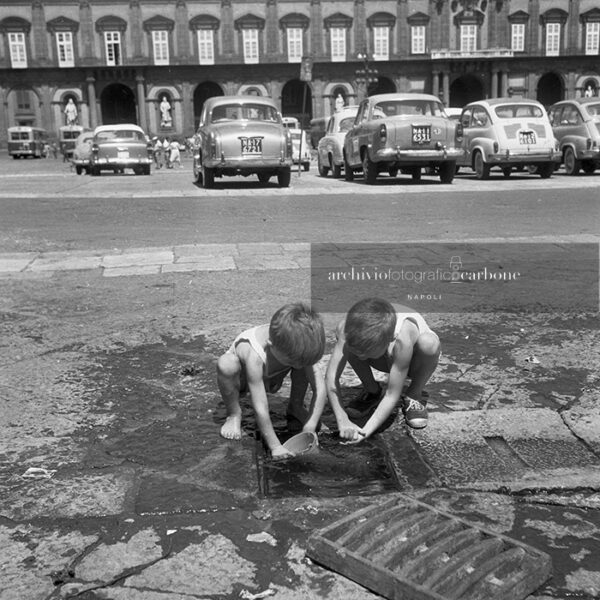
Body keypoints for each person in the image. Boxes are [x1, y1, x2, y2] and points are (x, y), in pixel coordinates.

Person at [216, 302, 327, 460]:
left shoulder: (298, 343)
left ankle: (296, 406)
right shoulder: (255, 354)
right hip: (243, 380)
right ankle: (234, 414)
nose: (298, 366)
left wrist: (310, 425)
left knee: (303, 363)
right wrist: (275, 446)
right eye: (293, 361)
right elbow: (260, 406)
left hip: (273, 376)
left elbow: (320, 388)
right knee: (226, 364)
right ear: (271, 346)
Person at [325, 297, 440, 442]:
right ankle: (372, 390)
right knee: (351, 347)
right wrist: (342, 420)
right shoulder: (347, 328)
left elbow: (392, 394)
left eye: (366, 352)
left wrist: (365, 432)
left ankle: (414, 394)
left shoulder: (401, 340)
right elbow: (331, 378)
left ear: (387, 341)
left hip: (413, 361)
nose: (360, 358)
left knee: (429, 344)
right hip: (382, 355)